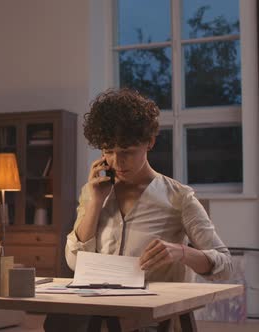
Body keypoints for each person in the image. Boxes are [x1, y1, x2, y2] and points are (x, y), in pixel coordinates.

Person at [44, 88, 233, 331]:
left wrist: (182, 253)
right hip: (101, 313)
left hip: (152, 319)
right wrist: (95, 202)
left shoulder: (179, 197)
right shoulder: (94, 191)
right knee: (57, 322)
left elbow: (225, 266)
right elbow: (74, 262)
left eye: (127, 152)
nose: (117, 163)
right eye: (108, 151)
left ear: (149, 142)